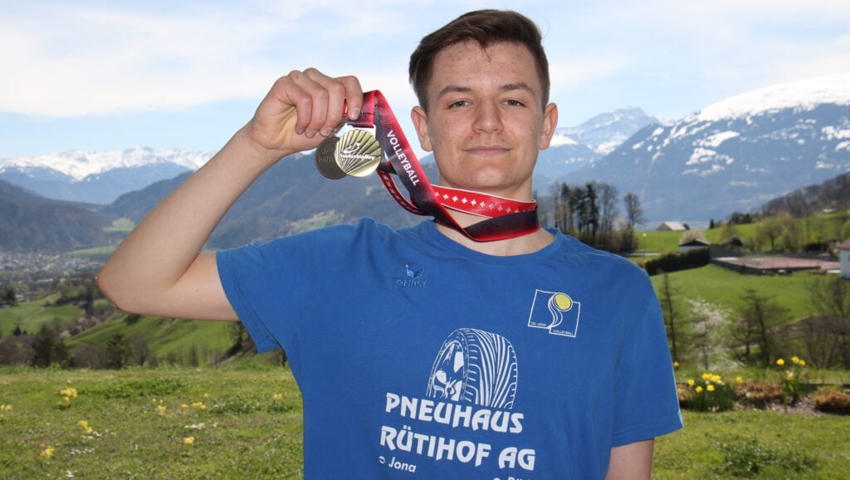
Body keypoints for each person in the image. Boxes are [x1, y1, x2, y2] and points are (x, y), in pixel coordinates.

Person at [98, 9, 682, 479]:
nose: (487, 121)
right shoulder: (342, 265)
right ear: (422, 127)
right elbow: (133, 283)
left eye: (513, 99)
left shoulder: (618, 293)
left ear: (546, 124)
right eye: (459, 101)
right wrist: (257, 144)